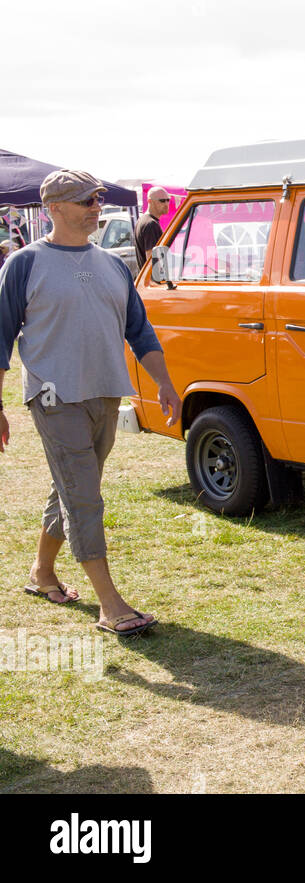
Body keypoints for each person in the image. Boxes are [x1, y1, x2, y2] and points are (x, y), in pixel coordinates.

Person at [0, 169, 182, 637]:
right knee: (84, 496)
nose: (96, 207)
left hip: (105, 392)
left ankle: (42, 574)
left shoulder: (113, 265)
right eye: (85, 201)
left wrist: (164, 383)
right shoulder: (24, 263)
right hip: (52, 396)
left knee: (71, 486)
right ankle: (111, 605)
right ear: (54, 209)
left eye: (98, 199)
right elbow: (1, 337)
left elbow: (139, 330)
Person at [133, 187, 171, 270]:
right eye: (162, 200)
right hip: (153, 281)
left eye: (168, 200)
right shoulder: (151, 224)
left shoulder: (142, 220)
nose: (166, 203)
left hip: (148, 281)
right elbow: (152, 262)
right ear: (150, 201)